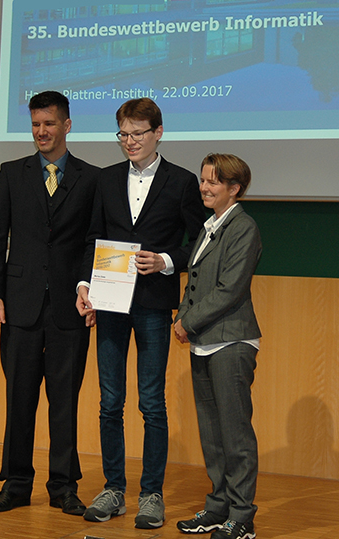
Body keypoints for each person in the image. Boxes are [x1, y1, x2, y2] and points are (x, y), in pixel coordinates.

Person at [76, 98, 205, 529]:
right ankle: (114, 488)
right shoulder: (105, 179)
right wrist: (84, 287)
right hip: (110, 303)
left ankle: (151, 494)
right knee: (109, 401)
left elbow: (199, 243)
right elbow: (93, 237)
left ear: (159, 133)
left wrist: (166, 261)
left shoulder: (183, 182)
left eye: (138, 133)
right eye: (123, 134)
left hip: (152, 303)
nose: (130, 142)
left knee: (151, 402)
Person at [0, 91, 99, 515]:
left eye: (49, 124)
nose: (41, 132)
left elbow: (94, 243)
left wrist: (92, 290)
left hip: (70, 307)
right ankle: (15, 485)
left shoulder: (92, 178)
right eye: (35, 125)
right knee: (20, 398)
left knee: (64, 400)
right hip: (19, 304)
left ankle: (64, 487)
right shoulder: (11, 173)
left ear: (67, 125)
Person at [174, 153, 261, 539]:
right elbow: (195, 283)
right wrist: (181, 316)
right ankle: (217, 507)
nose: (205, 187)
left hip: (231, 340)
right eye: (203, 180)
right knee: (212, 432)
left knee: (234, 433)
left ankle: (242, 517)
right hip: (204, 343)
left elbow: (229, 289)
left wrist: (186, 322)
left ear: (234, 188)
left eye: (213, 182)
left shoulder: (243, 227)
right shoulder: (210, 225)